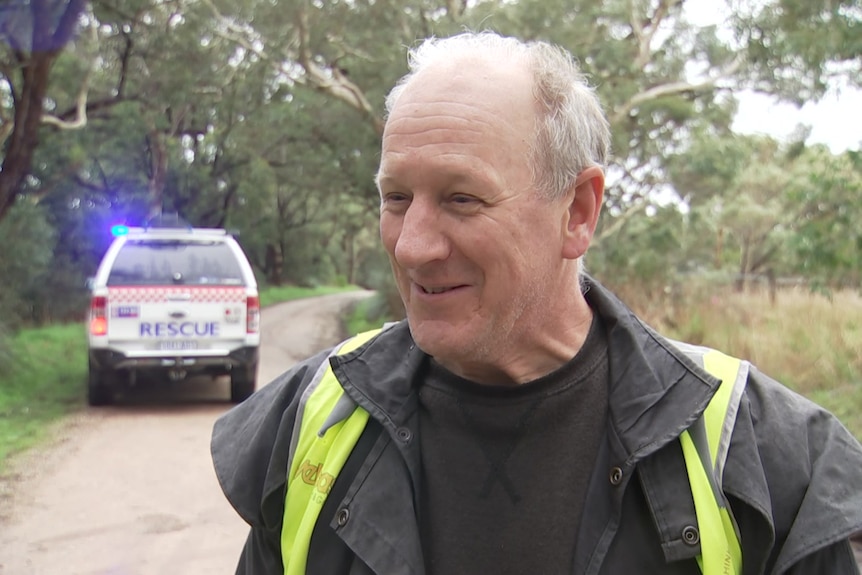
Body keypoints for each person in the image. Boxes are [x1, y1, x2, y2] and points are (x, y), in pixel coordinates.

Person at [211, 31, 862, 574]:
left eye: (462, 198)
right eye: (396, 198)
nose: (411, 247)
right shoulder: (309, 425)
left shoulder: (760, 457)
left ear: (577, 212)